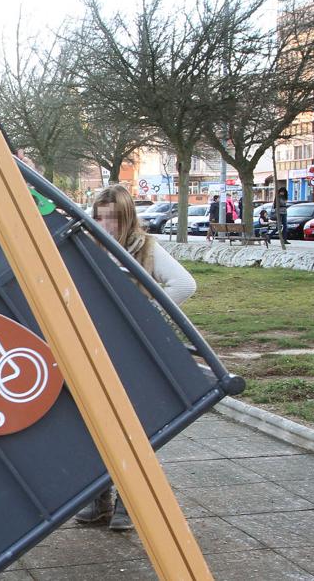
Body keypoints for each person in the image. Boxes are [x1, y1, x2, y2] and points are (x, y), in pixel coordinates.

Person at [78, 184, 198, 531]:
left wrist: (143, 311)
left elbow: (184, 284)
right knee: (95, 423)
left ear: (127, 217)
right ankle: (100, 496)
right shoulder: (88, 245)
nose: (105, 225)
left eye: (112, 218)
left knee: (132, 425)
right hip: (97, 345)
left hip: (133, 348)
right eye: (99, 217)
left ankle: (131, 504)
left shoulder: (145, 247)